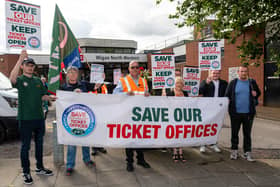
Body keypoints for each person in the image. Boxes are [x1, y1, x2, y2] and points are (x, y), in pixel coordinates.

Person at [9, 50, 56, 185]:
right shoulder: (20, 80)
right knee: (25, 146)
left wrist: (50, 97)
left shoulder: (37, 81)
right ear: (23, 67)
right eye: (27, 65)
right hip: (25, 119)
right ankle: (26, 172)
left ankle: (40, 167)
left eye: (32, 65)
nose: (30, 67)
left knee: (40, 145)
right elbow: (11, 79)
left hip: (39, 118)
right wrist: (19, 59)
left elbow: (43, 96)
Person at [113, 60, 151, 172]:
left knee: (140, 138)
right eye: (132, 67)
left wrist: (148, 95)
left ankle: (141, 159)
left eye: (137, 67)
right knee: (129, 139)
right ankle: (129, 162)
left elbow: (147, 95)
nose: (135, 69)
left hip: (140, 115)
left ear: (139, 69)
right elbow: (114, 94)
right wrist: (125, 93)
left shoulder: (143, 81)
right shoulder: (123, 81)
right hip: (128, 114)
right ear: (129, 69)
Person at [60, 66, 96, 176]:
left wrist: (99, 80)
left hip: (84, 117)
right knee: (72, 143)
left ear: (77, 74)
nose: (72, 74)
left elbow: (96, 87)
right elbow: (61, 101)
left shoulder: (84, 84)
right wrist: (72, 94)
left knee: (85, 140)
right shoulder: (63, 87)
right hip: (71, 120)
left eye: (74, 72)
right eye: (70, 72)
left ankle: (87, 159)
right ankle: (70, 165)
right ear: (67, 75)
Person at [225, 65, 261, 162]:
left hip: (248, 114)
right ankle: (234, 151)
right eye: (242, 71)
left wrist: (256, 94)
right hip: (235, 113)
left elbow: (258, 93)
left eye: (245, 71)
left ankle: (247, 152)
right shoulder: (233, 83)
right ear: (238, 72)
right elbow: (227, 96)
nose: (243, 73)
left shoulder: (251, 82)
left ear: (247, 72)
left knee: (247, 134)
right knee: (234, 133)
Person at [199, 70, 228, 153]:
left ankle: (213, 143)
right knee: (205, 126)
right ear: (210, 73)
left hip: (218, 108)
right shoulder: (205, 81)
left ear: (220, 74)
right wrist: (206, 83)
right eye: (213, 73)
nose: (215, 75)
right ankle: (203, 144)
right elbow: (200, 91)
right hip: (207, 108)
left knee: (215, 126)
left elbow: (227, 94)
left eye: (217, 73)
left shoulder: (224, 83)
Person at [166, 77, 188, 162]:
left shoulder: (185, 93)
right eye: (177, 83)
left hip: (183, 117)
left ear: (183, 85)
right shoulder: (170, 93)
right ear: (174, 84)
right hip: (173, 117)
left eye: (180, 83)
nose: (179, 85)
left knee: (181, 134)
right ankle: (175, 152)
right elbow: (167, 105)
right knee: (175, 134)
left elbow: (189, 104)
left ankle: (181, 152)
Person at [88, 82, 108, 156]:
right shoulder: (91, 85)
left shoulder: (104, 86)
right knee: (94, 130)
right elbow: (89, 96)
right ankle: (94, 148)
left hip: (102, 111)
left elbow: (106, 96)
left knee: (101, 130)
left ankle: (100, 146)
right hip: (93, 110)